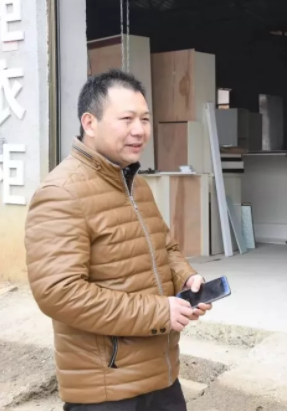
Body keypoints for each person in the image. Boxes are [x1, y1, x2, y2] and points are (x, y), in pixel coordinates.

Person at [24, 69, 212, 411]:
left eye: (145, 119)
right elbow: (59, 293)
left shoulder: (135, 183)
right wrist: (159, 311)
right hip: (106, 389)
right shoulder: (61, 192)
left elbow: (164, 248)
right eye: (126, 119)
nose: (139, 130)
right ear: (90, 123)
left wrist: (186, 279)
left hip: (161, 376)